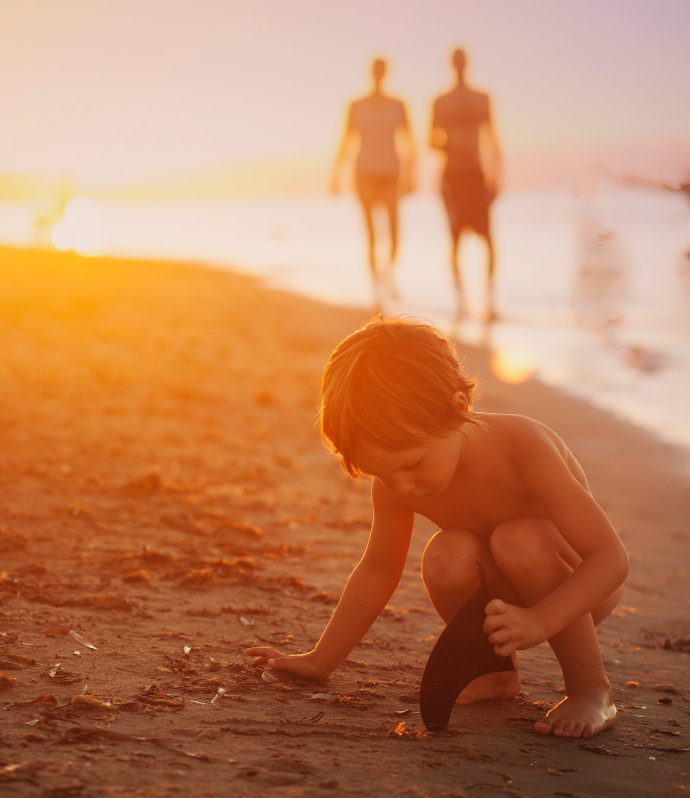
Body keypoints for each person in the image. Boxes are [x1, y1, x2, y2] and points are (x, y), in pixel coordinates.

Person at [247, 317, 628, 739]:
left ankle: (591, 688)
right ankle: (497, 671)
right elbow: (378, 571)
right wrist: (322, 660)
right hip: (507, 597)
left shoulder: (523, 447)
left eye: (411, 464)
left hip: (579, 588)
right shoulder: (398, 482)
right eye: (385, 476)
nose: (403, 487)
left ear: (458, 408)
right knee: (446, 554)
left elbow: (610, 560)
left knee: (518, 539)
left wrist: (540, 619)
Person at [331, 58, 417, 306]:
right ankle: (375, 291)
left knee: (394, 233)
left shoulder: (398, 105)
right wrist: (336, 173)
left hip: (391, 173)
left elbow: (409, 141)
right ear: (371, 73)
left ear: (386, 73)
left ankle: (387, 274)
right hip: (364, 173)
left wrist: (412, 173)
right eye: (375, 70)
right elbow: (346, 140)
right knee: (371, 235)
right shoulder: (356, 105)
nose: (379, 74)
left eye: (382, 70)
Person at [429, 49, 501, 320]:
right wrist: (452, 145)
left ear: (466, 64)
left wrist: (498, 174)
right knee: (455, 239)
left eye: (462, 62)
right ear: (451, 65)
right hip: (452, 176)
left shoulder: (482, 99)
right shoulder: (440, 101)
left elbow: (492, 137)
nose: (459, 66)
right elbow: (431, 139)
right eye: (456, 62)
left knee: (488, 238)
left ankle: (489, 299)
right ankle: (460, 301)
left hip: (477, 174)